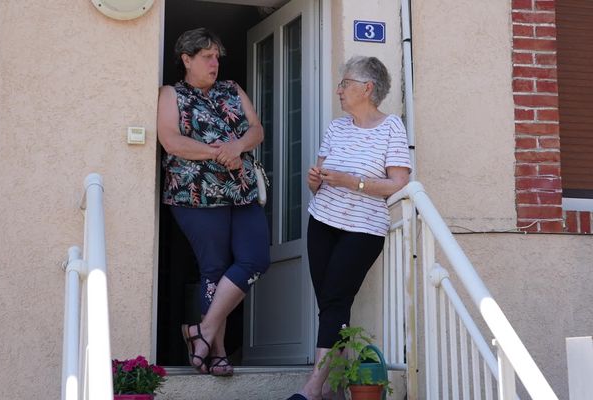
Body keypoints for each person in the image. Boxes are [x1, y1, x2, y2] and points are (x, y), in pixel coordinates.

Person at [287, 56, 411, 400]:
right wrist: (316, 181)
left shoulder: (391, 128)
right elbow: (321, 180)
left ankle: (313, 389)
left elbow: (398, 182)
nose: (339, 90)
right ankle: (333, 390)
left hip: (362, 231)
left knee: (336, 301)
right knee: (330, 305)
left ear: (367, 88)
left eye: (345, 84)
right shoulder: (336, 127)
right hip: (322, 221)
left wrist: (352, 182)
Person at [157, 28, 270, 377]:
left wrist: (238, 148)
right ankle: (217, 351)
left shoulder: (232, 89)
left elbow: (256, 129)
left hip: (242, 190)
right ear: (186, 60)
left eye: (216, 56)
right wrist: (220, 153)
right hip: (195, 194)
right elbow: (171, 141)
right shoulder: (170, 94)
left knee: (256, 259)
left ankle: (201, 331)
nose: (214, 62)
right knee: (214, 269)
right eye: (206, 56)